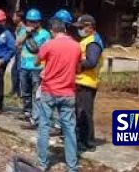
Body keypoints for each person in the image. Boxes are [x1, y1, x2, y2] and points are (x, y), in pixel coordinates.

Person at [35, 19, 80, 172]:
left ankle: (42, 164)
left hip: (49, 91)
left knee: (44, 126)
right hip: (68, 92)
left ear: (53, 31)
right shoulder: (76, 45)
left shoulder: (49, 44)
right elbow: (78, 68)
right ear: (65, 29)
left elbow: (36, 61)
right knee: (69, 129)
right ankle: (72, 167)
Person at [73, 14, 104, 152]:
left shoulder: (93, 42)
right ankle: (81, 139)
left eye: (81, 27)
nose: (79, 30)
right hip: (81, 81)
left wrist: (76, 65)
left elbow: (91, 62)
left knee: (84, 113)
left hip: (87, 83)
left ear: (90, 27)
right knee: (80, 112)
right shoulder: (87, 39)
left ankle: (88, 142)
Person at [17, 8, 51, 124]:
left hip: (37, 68)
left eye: (33, 21)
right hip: (24, 66)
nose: (30, 24)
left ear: (39, 22)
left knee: (36, 93)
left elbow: (45, 50)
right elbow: (17, 43)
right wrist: (26, 33)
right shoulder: (25, 31)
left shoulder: (45, 34)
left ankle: (36, 117)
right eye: (29, 21)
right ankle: (27, 112)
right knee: (25, 91)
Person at [10, 11, 25, 96]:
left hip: (21, 52)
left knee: (19, 71)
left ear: (19, 18)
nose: (13, 18)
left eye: (14, 16)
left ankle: (19, 92)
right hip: (17, 52)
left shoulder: (23, 28)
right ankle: (14, 90)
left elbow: (19, 41)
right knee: (14, 71)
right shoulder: (18, 27)